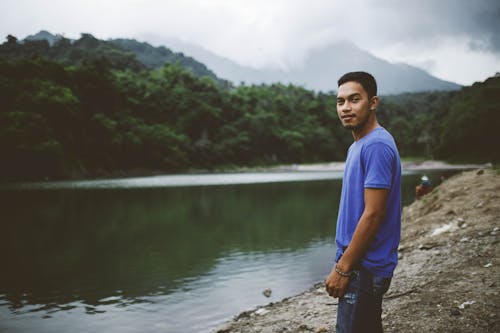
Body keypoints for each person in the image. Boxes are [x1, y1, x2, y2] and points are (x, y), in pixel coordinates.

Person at [325, 71, 401, 333]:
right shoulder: (358, 145)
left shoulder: (376, 146)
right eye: (340, 101)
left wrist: (343, 269)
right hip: (359, 265)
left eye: (354, 99)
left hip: (364, 268)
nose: (346, 107)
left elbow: (374, 213)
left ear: (373, 102)